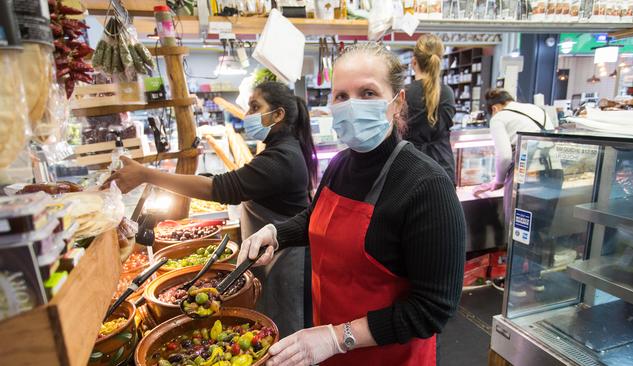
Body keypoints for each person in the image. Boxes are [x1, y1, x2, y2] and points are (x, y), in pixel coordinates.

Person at [238, 43, 466, 366]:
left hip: (389, 358)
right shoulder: (340, 164)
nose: (351, 106)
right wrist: (276, 233)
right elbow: (317, 218)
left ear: (397, 103)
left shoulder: (426, 186)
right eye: (341, 96)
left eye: (368, 93)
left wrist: (336, 337)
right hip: (331, 352)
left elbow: (433, 308)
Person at [104, 81, 317, 336]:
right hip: (272, 258)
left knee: (287, 334)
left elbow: (220, 189)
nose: (247, 114)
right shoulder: (279, 151)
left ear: (278, 114)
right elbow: (231, 182)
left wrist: (145, 174)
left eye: (254, 106)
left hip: (287, 264)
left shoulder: (282, 158)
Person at [473, 89, 562, 297]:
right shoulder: (537, 110)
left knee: (519, 229)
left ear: (494, 108)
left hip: (527, 177)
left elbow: (504, 156)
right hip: (554, 174)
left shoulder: (499, 118)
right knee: (540, 228)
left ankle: (516, 283)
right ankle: (536, 278)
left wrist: (497, 181)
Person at [404, 34, 457, 183]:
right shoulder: (447, 92)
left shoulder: (404, 93)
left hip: (411, 169)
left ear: (414, 62)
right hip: (443, 169)